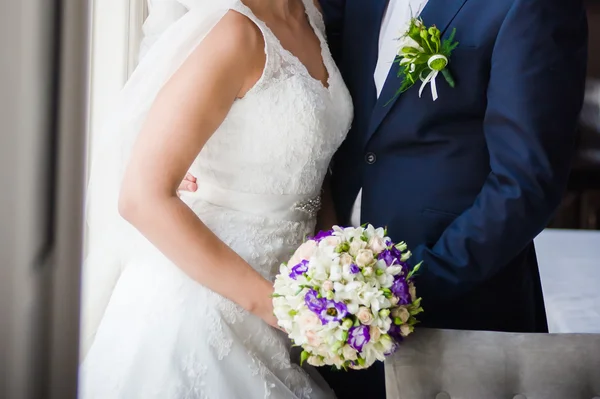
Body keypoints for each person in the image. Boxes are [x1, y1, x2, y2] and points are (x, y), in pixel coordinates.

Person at [181, 0, 588, 398]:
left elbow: (526, 186)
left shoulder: (531, 6)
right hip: (322, 304)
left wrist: (407, 285)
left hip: (456, 304)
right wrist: (201, 143)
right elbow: (291, 70)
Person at [79, 0, 351, 397]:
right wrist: (277, 308)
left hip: (287, 303)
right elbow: (141, 197)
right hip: (199, 306)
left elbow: (314, 158)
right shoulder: (235, 32)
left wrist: (333, 259)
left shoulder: (313, 15)